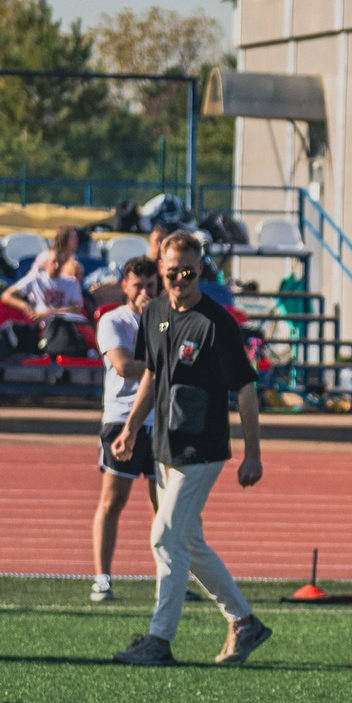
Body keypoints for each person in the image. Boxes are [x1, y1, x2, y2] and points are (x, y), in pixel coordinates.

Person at [110, 232, 271, 667]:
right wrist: (129, 428)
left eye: (188, 271)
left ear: (200, 270)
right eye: (171, 270)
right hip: (165, 444)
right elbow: (152, 376)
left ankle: (159, 640)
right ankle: (245, 623)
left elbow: (246, 390)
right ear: (160, 268)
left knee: (164, 538)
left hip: (203, 449)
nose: (179, 278)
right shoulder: (155, 311)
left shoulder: (216, 322)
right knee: (190, 542)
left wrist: (252, 454)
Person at [89, 256, 160, 604]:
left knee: (164, 505)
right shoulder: (113, 320)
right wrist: (164, 363)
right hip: (122, 419)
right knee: (113, 500)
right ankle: (103, 577)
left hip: (160, 420)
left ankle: (169, 577)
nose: (145, 292)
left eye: (150, 285)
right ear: (125, 287)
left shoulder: (166, 318)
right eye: (138, 285)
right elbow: (123, 366)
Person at [5, 249, 90, 357]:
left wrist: (48, 312)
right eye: (54, 262)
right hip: (43, 327)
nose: (56, 266)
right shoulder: (35, 279)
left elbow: (76, 307)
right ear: (46, 263)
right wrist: (25, 306)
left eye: (60, 262)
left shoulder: (71, 282)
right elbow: (7, 295)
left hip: (67, 326)